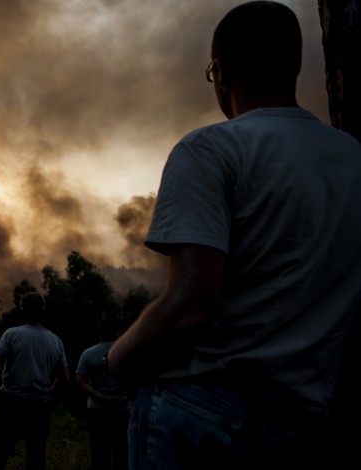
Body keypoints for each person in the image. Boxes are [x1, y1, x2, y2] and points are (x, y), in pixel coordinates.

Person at [106, 2, 361, 469]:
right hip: (303, 422)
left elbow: (189, 309)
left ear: (220, 72)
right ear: (294, 65)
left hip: (201, 412)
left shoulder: (211, 148)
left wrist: (118, 361)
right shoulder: (351, 156)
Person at [0, 292, 68, 470]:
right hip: (40, 406)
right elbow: (64, 378)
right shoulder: (56, 341)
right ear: (43, 311)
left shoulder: (12, 334)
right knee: (36, 457)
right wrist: (49, 393)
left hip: (12, 403)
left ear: (23, 311)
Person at [76, 318, 128, 470]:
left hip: (97, 410)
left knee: (99, 453)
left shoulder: (88, 353)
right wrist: (125, 397)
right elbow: (138, 378)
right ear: (116, 332)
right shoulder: (127, 351)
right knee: (122, 453)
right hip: (123, 409)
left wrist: (101, 397)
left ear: (98, 333)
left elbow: (80, 381)